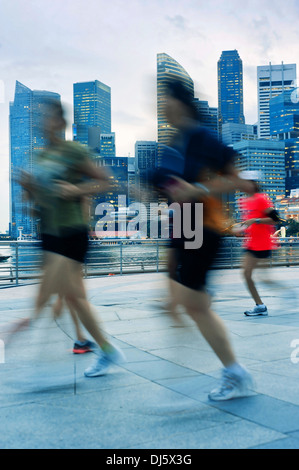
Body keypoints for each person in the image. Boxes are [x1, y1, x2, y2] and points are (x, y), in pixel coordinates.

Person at [153, 80, 256, 401]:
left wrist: (200, 190)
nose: (161, 105)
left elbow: (244, 183)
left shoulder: (203, 139)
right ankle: (233, 371)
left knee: (195, 305)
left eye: (165, 99)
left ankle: (235, 372)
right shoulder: (174, 143)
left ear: (180, 102)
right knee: (193, 304)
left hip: (205, 228)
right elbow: (171, 192)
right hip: (183, 228)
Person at [15, 98, 125, 377]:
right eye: (40, 117)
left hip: (72, 231)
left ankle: (28, 344)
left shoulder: (73, 151)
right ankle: (106, 350)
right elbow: (34, 200)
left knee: (51, 293)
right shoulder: (39, 158)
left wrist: (74, 191)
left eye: (48, 116)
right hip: (49, 233)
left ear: (61, 122)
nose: (43, 122)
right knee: (74, 297)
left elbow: (106, 181)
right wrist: (28, 188)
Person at [237, 172, 279, 317]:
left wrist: (256, 220)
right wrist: (240, 230)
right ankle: (260, 305)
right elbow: (248, 222)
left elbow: (276, 219)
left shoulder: (261, 199)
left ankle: (288, 294)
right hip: (250, 243)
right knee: (247, 275)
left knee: (264, 279)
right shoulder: (243, 201)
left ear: (254, 184)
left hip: (263, 244)